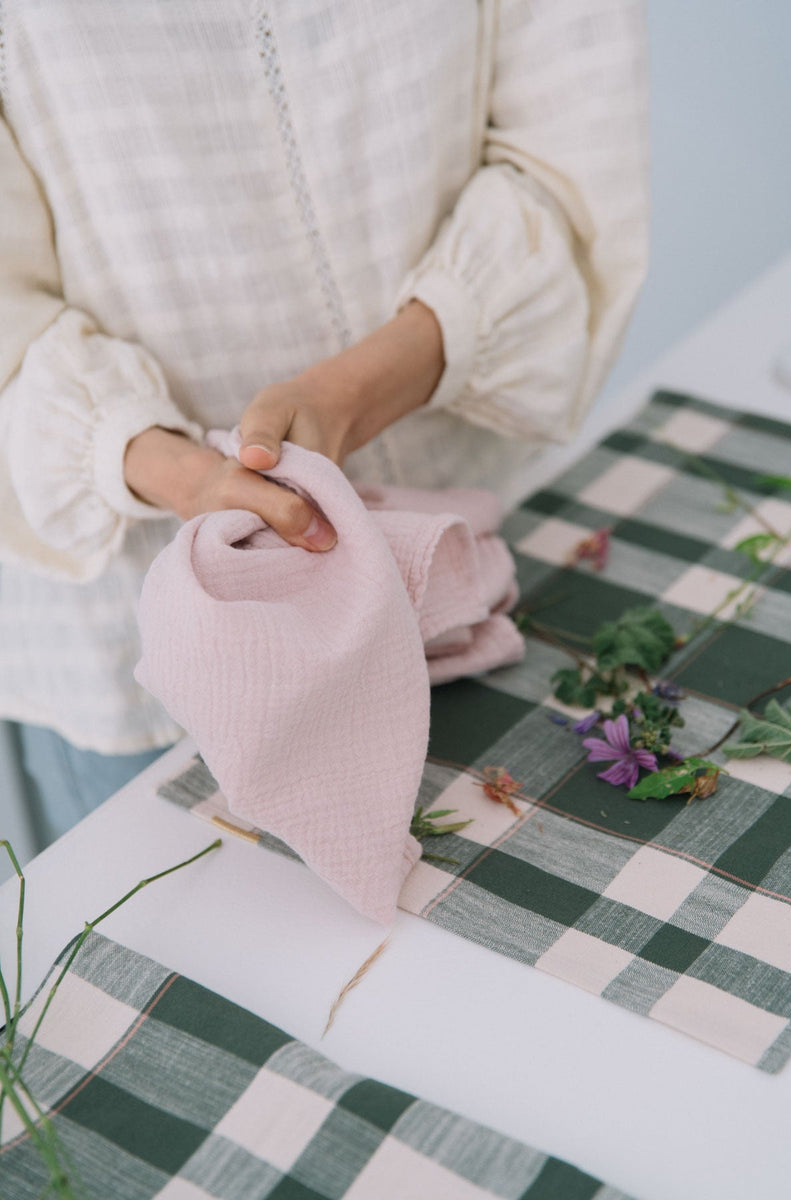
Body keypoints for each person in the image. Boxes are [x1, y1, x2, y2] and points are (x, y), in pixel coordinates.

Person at [0, 1, 649, 848]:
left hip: (470, 554)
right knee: (176, 954)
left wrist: (358, 389)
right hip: (132, 628)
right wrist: (155, 461)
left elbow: (573, 150)